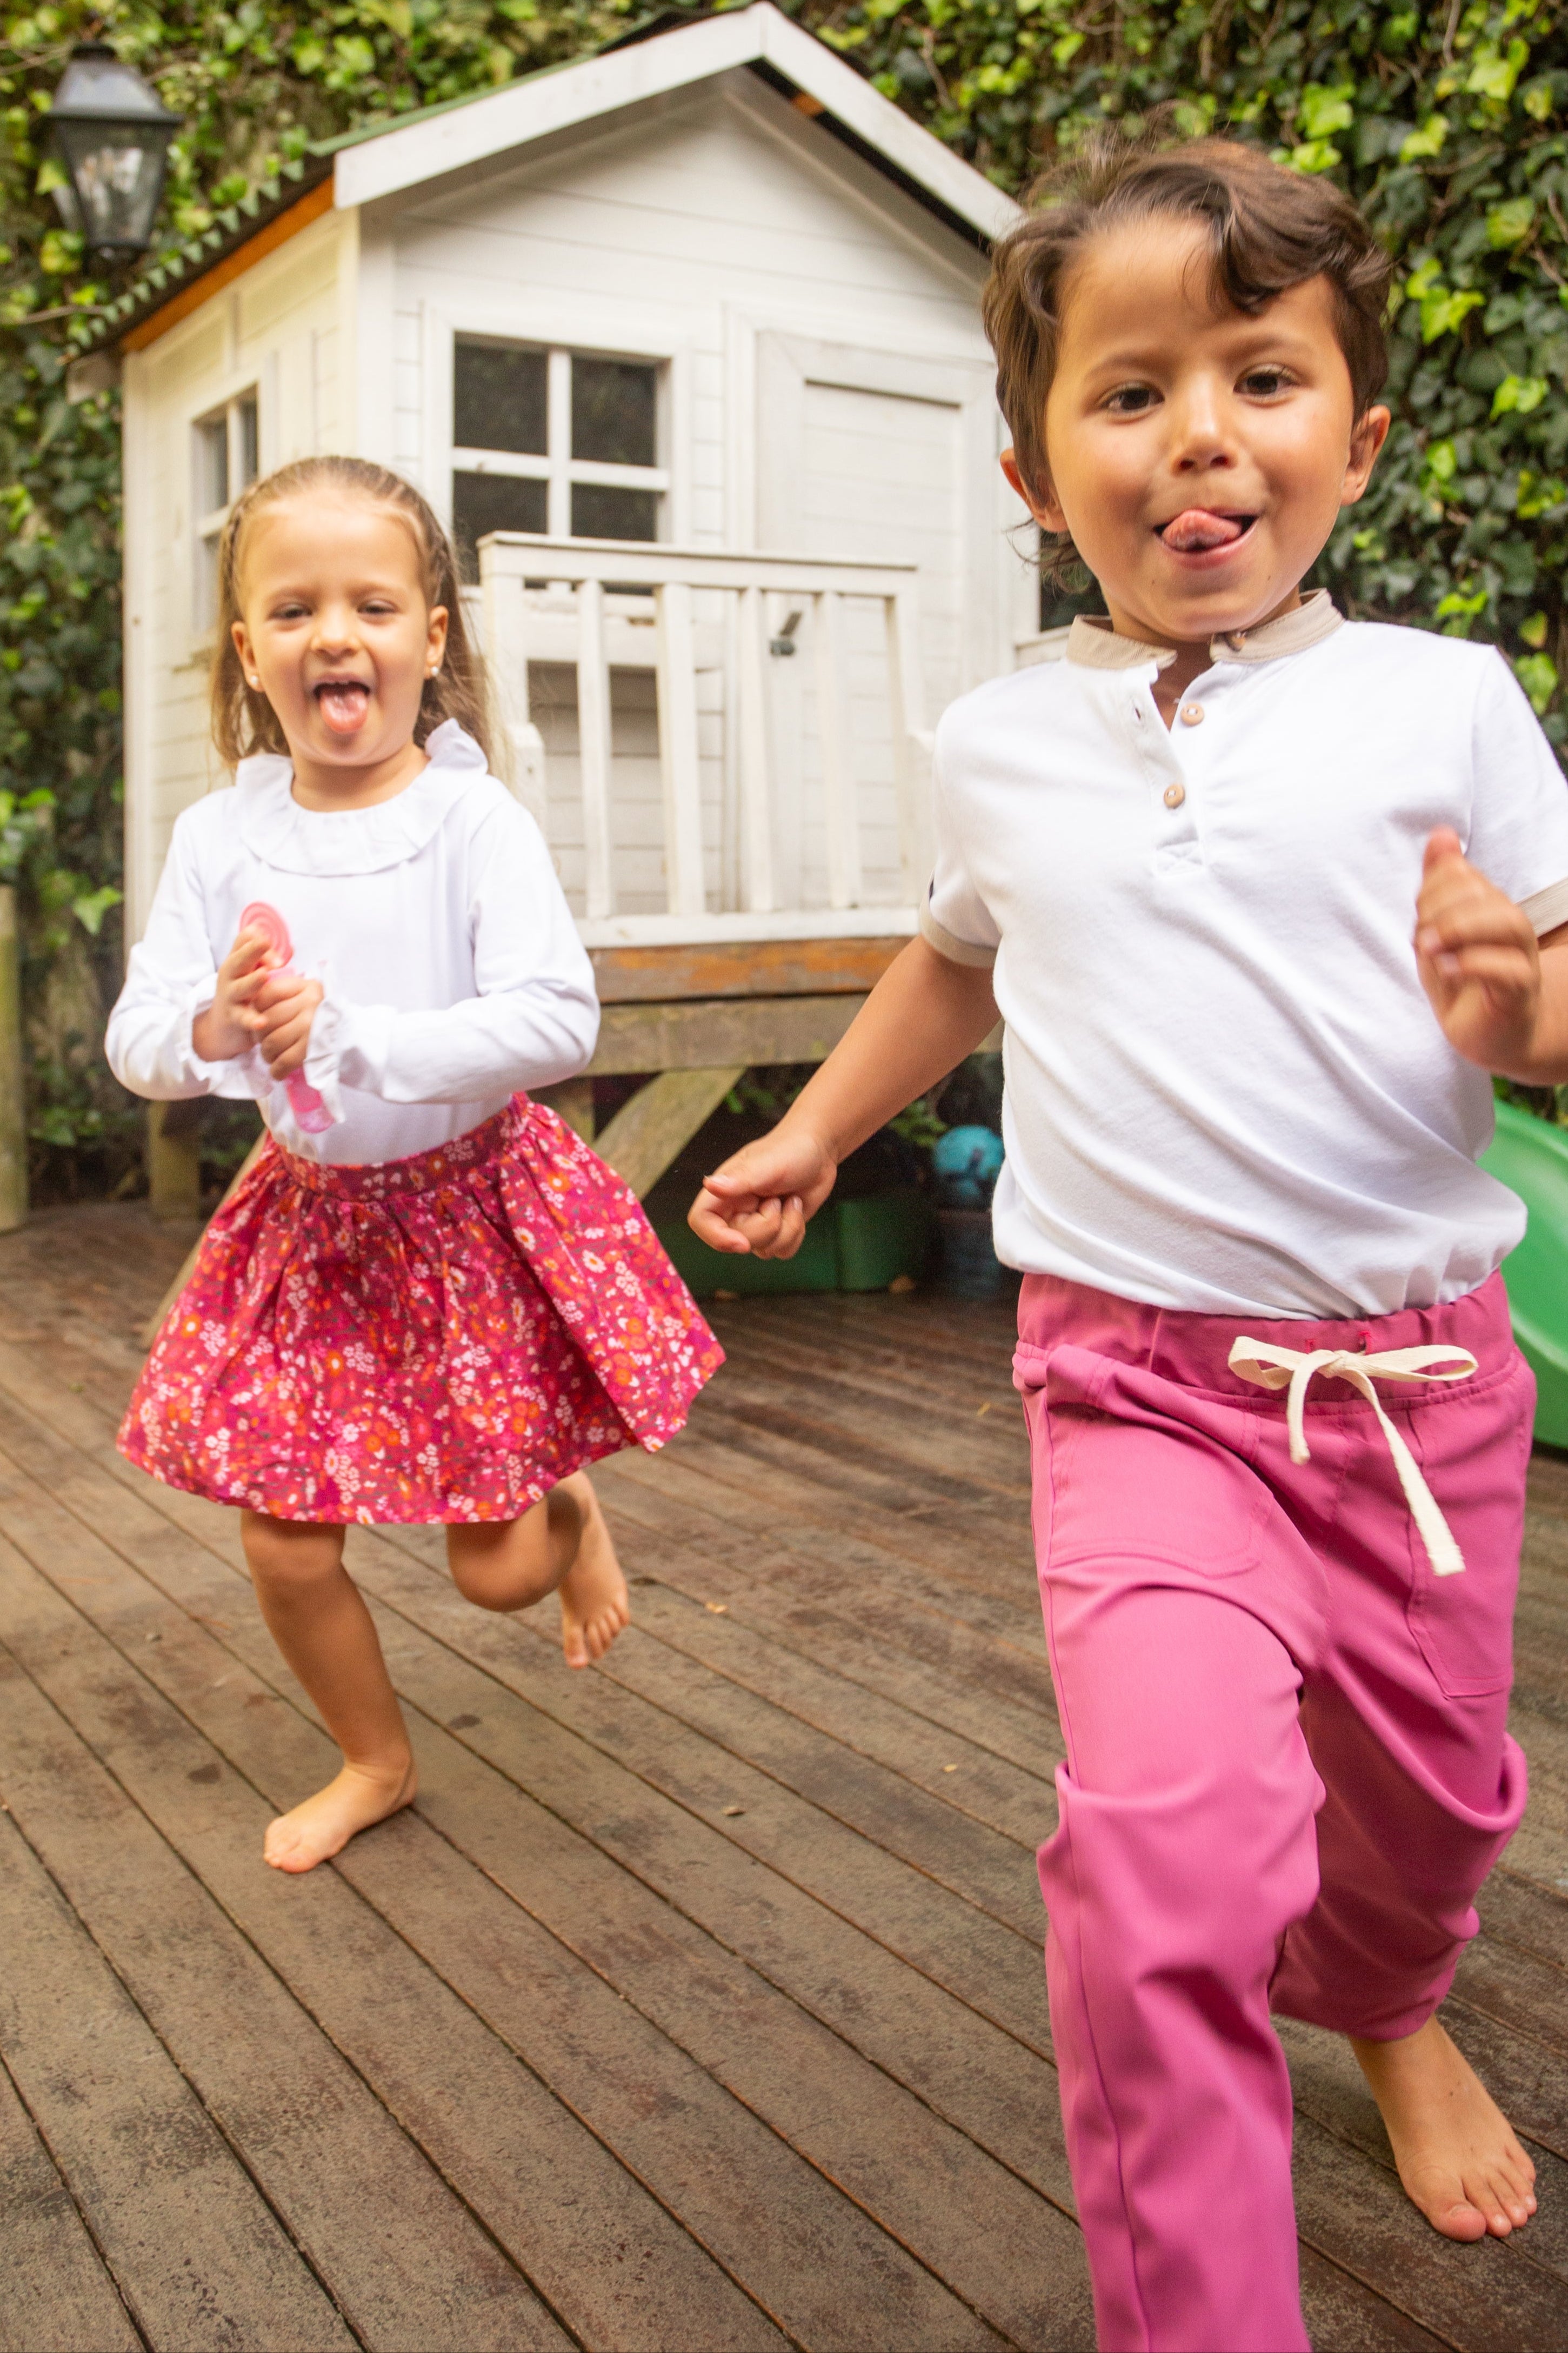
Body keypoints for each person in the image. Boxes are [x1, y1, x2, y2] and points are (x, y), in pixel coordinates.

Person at [689, 132, 1561, 2352]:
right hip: (1139, 1382)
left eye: (1262, 377)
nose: (1199, 434)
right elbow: (957, 961)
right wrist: (806, 1124)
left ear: (1359, 435)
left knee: (1431, 1814)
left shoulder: (1447, 699)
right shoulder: (999, 739)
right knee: (1167, 1847)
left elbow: (1552, 974)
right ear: (1030, 462)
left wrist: (1532, 1002)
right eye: (1130, 386)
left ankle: (1383, 1992)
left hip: (1422, 1391)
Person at [111, 455, 720, 1876]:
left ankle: (568, 1514)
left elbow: (557, 1015)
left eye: (375, 604)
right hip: (310, 1224)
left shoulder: (468, 820)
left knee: (497, 1572)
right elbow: (139, 1039)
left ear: (430, 641)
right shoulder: (220, 837)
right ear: (249, 648)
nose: (339, 633)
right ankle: (374, 1759)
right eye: (296, 607)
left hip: (468, 1213)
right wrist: (217, 1024)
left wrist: (358, 1033)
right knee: (285, 1543)